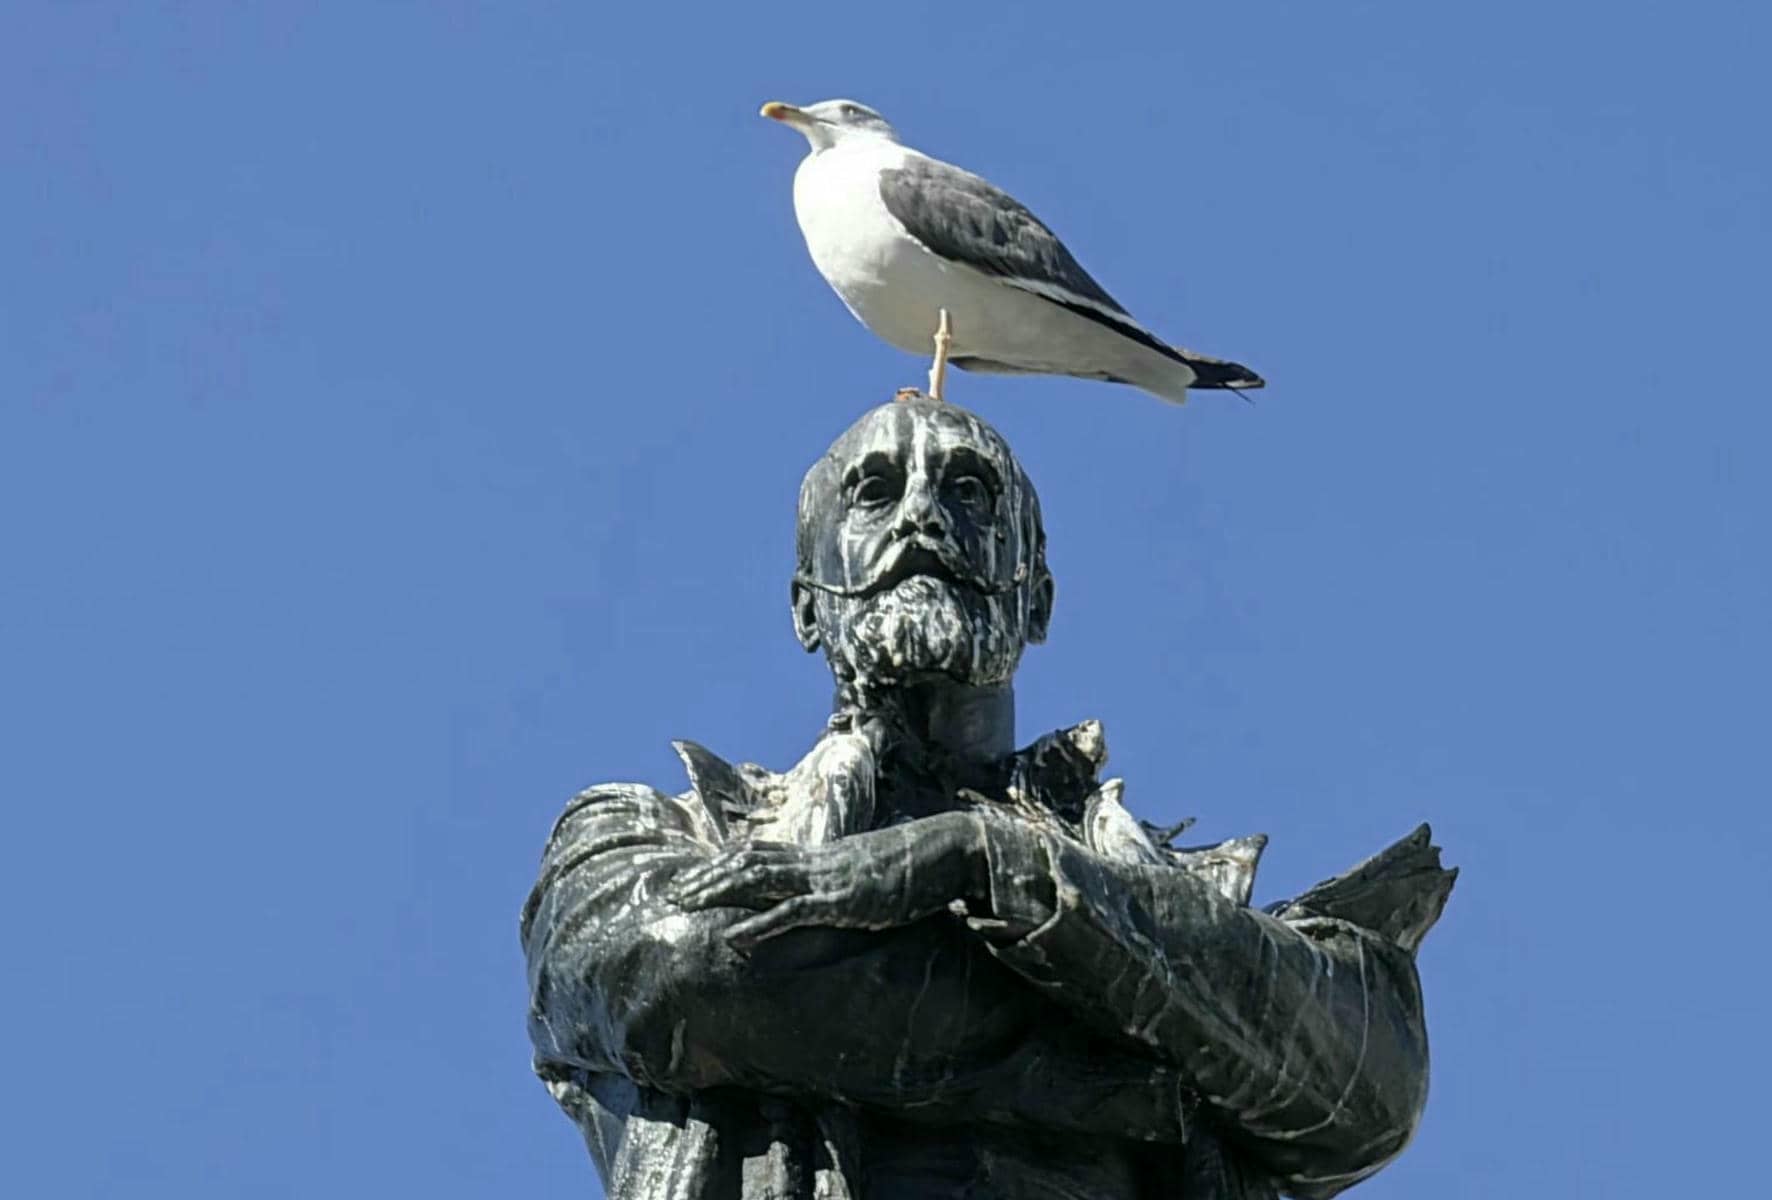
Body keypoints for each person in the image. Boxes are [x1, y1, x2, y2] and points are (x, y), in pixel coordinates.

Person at [521, 398, 1454, 1199]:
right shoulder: (656, 838)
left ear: (1037, 601)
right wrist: (1138, 1055)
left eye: (969, 491)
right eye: (875, 491)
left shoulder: (1164, 886)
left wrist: (998, 859)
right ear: (809, 605)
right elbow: (688, 981)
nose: (923, 514)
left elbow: (1366, 1093)